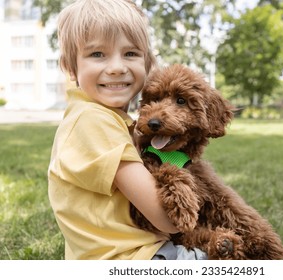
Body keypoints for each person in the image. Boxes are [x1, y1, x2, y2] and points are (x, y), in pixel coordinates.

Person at [48, 0, 207, 260]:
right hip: (137, 258)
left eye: (130, 54)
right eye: (97, 54)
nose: (116, 67)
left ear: (147, 63)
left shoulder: (99, 116)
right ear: (70, 66)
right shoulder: (94, 121)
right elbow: (168, 218)